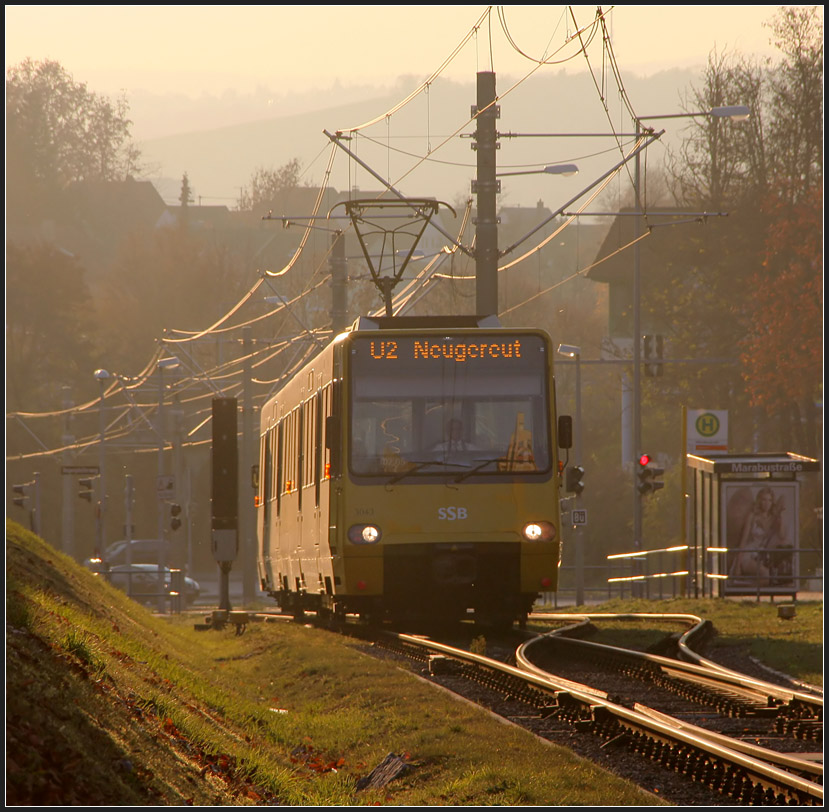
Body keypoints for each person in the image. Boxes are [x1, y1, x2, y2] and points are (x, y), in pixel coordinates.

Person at [729, 487, 788, 584]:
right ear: (759, 501)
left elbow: (782, 536)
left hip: (761, 555)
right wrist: (737, 565)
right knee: (765, 574)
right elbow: (743, 541)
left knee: (771, 577)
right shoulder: (752, 516)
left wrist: (780, 515)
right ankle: (748, 590)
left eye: (769, 500)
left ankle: (749, 589)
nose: (766, 503)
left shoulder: (773, 518)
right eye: (764, 500)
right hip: (747, 553)